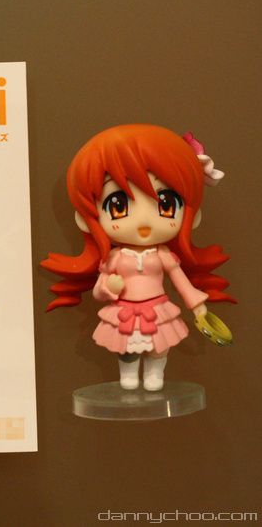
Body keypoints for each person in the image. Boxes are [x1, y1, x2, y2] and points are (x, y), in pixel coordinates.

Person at [42, 124, 234, 390]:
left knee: (159, 346)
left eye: (166, 204)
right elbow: (99, 290)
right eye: (118, 205)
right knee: (127, 348)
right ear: (86, 218)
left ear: (193, 215)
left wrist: (199, 308)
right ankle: (129, 375)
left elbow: (182, 282)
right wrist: (109, 288)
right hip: (125, 312)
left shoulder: (163, 255)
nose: (144, 220)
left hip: (158, 309)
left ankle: (155, 374)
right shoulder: (115, 258)